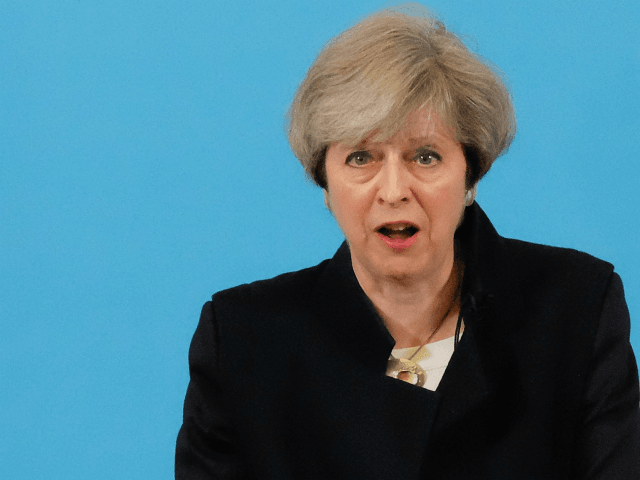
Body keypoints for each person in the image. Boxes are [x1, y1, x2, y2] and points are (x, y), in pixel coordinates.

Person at [175, 7, 640, 479]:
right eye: (361, 157)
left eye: (425, 156)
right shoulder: (242, 341)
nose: (394, 189)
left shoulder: (576, 309)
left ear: (470, 175)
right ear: (325, 183)